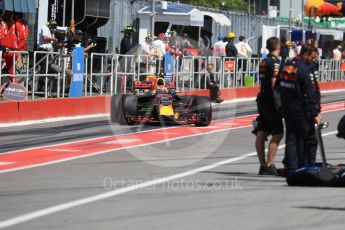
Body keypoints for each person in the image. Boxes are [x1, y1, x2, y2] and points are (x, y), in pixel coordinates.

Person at [279, 45, 321, 173]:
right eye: (311, 57)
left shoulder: (286, 66)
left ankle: (293, 167)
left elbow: (278, 88)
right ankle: (308, 166)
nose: (312, 60)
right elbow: (310, 92)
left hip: (287, 107)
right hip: (301, 109)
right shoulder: (304, 69)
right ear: (305, 55)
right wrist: (315, 112)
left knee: (292, 138)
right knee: (310, 138)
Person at [255, 37, 284, 175]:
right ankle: (269, 164)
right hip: (270, 101)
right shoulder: (275, 63)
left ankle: (262, 165)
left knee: (262, 131)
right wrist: (278, 103)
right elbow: (274, 84)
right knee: (278, 132)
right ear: (277, 46)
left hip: (262, 97)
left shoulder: (263, 61)